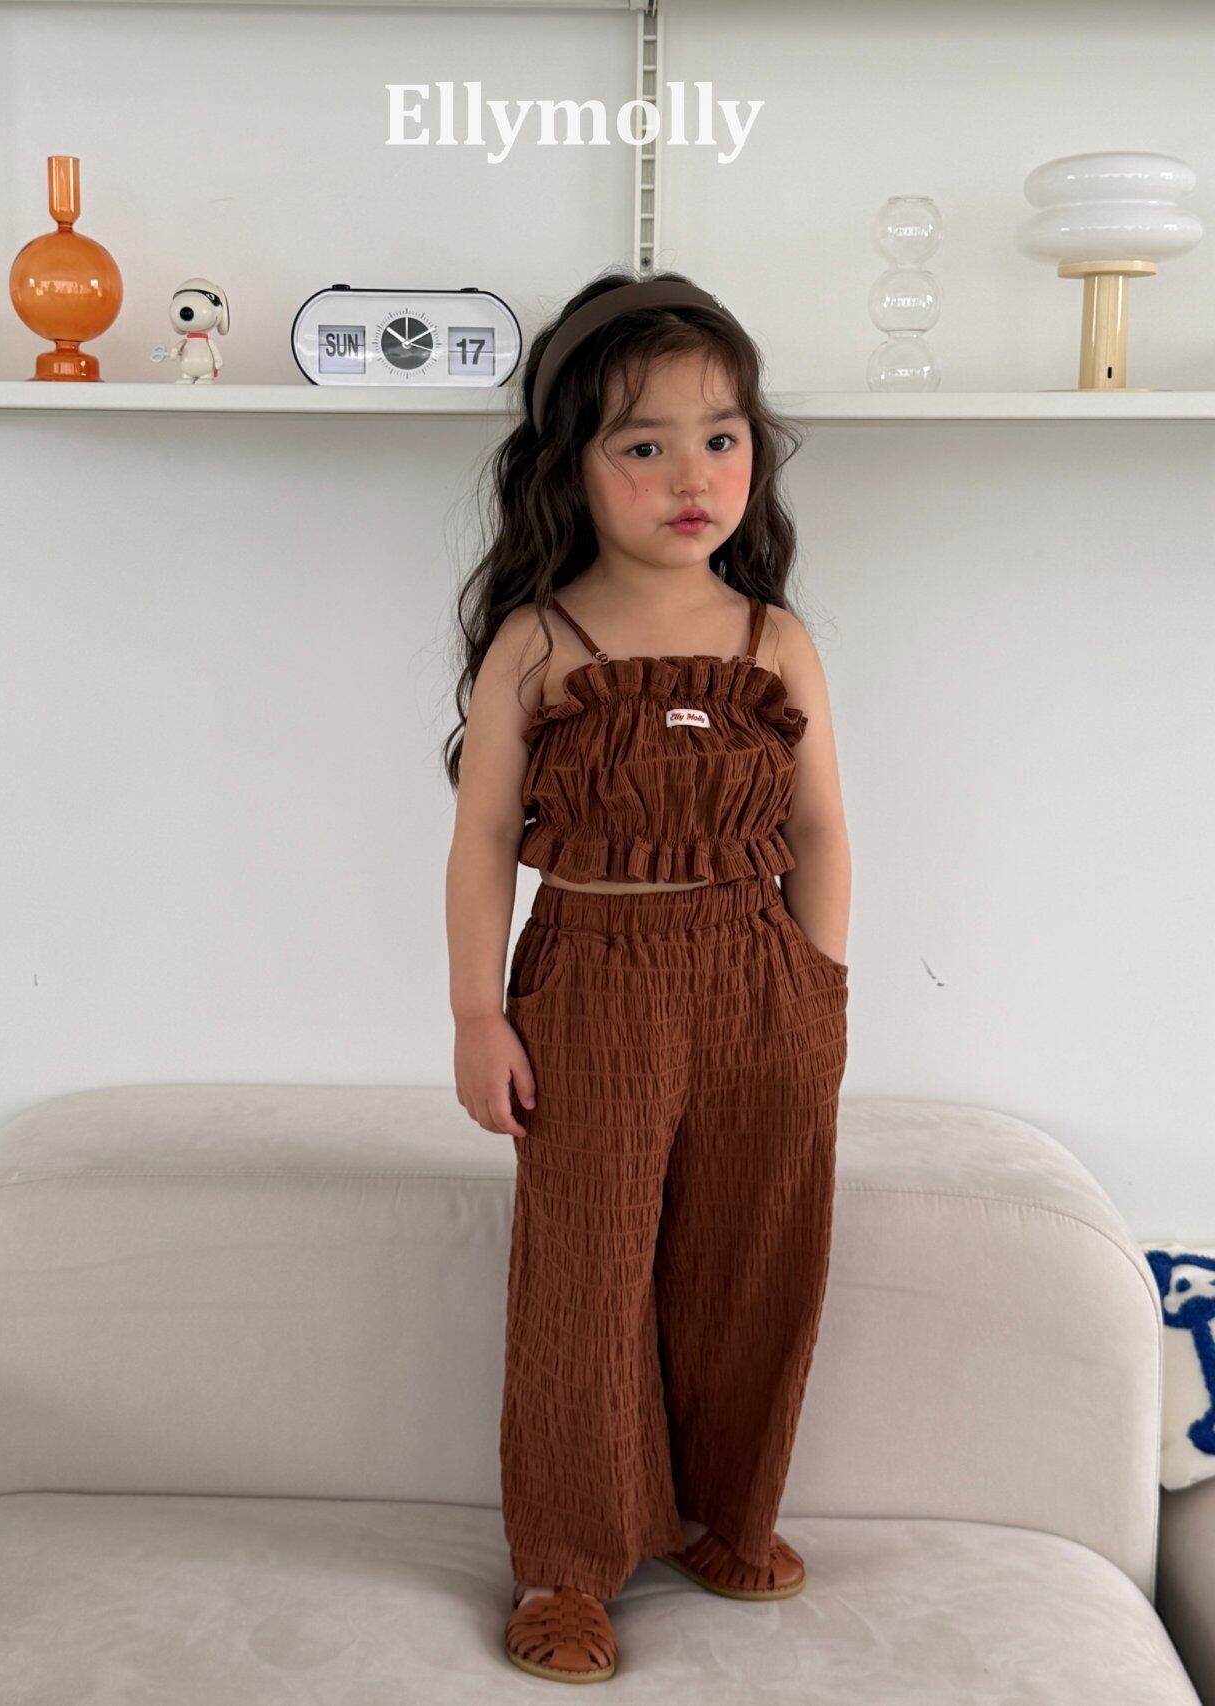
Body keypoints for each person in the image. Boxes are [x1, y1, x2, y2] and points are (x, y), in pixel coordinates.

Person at [443, 268, 851, 1684]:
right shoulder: (539, 641)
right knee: (587, 1272)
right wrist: (478, 1014)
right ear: (571, 464)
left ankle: (723, 1515)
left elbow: (821, 831)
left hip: (761, 980)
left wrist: (819, 988)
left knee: (755, 1253)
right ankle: (567, 1564)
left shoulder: (774, 638)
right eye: (644, 443)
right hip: (591, 985)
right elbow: (482, 842)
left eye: (721, 436)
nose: (692, 475)